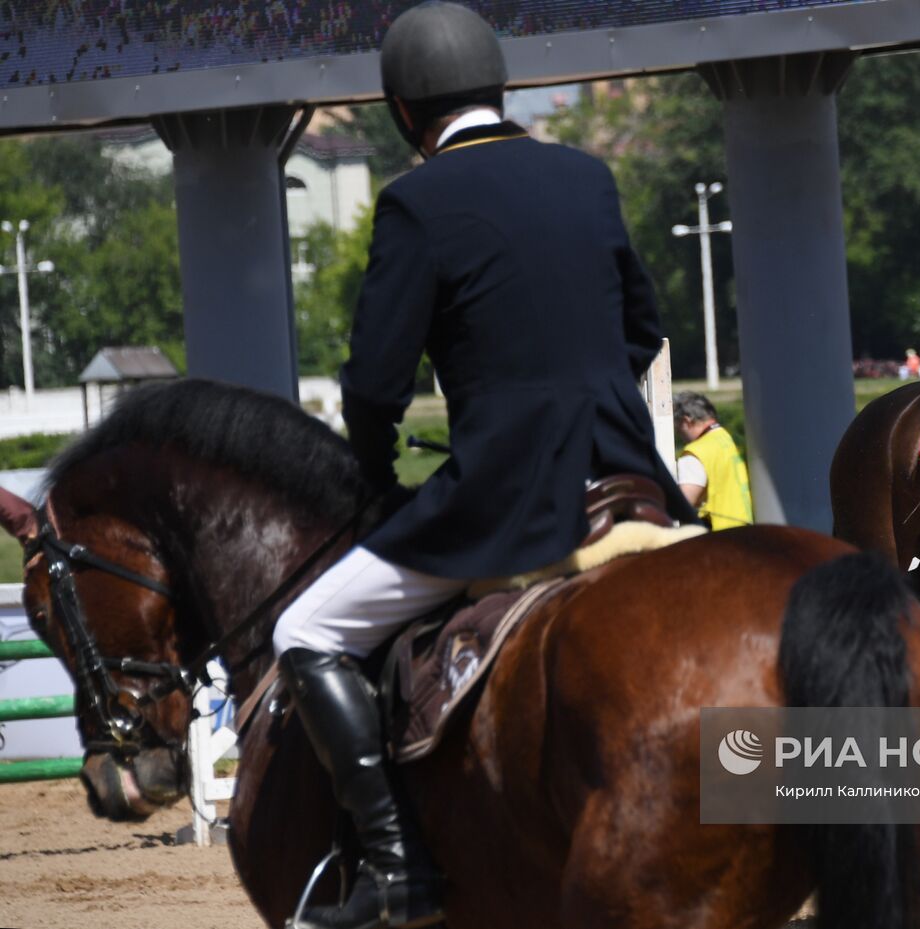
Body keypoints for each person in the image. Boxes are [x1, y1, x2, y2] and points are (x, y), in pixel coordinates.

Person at [270, 4, 693, 928]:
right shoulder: (585, 175)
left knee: (303, 630)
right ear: (498, 85)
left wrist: (375, 484)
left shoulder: (416, 201)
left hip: (508, 502)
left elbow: (376, 384)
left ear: (402, 110)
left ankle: (396, 868)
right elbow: (643, 330)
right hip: (630, 479)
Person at [674, 391, 754, 530]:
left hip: (717, 538)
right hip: (745, 530)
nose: (679, 435)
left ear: (686, 421)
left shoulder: (695, 453)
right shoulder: (728, 440)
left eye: (678, 429)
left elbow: (683, 503)